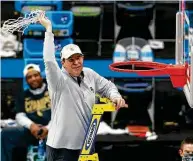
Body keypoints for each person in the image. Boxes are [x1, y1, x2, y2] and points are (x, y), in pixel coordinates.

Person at [38, 12, 128, 161]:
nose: (76, 62)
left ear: (83, 58)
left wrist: (115, 96)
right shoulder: (58, 80)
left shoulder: (90, 74)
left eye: (78, 58)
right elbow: (48, 60)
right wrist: (48, 30)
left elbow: (107, 86)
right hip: (61, 147)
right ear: (63, 63)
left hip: (86, 144)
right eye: (71, 59)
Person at [1, 64, 51, 161]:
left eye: (35, 75)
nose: (33, 79)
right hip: (31, 131)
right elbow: (20, 115)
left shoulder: (53, 91)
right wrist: (32, 126)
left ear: (41, 76)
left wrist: (48, 128)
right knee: (6, 134)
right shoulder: (23, 95)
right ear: (26, 80)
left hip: (53, 129)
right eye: (29, 77)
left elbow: (61, 113)